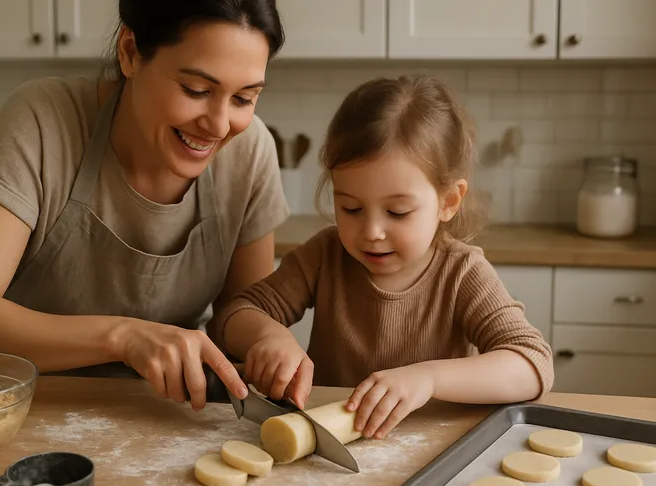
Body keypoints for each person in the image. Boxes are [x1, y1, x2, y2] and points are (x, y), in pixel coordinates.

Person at [0, 1, 290, 411]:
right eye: (196, 90)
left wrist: (265, 337)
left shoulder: (250, 151)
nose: (220, 125)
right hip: (24, 412)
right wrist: (122, 337)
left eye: (244, 98)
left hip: (166, 420)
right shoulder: (44, 120)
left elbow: (238, 316)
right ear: (130, 52)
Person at [214, 74, 555, 439]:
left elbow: (533, 363)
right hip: (325, 447)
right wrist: (268, 335)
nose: (372, 232)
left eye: (397, 213)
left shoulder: (461, 273)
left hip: (430, 445)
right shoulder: (326, 255)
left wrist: (428, 378)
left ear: (448, 201)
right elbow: (232, 316)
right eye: (351, 208)